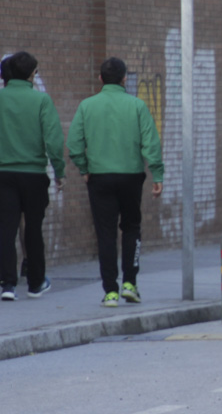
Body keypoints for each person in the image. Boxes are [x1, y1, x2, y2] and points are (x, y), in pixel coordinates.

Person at [67, 57, 165, 307]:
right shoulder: (137, 106)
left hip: (99, 177)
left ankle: (110, 291)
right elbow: (151, 143)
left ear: (100, 79)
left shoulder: (86, 106)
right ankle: (130, 283)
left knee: (106, 233)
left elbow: (75, 144)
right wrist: (157, 174)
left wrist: (84, 168)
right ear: (124, 79)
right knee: (131, 227)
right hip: (131, 177)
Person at [0, 52, 65, 301]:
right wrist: (59, 171)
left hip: (3, 174)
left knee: (7, 229)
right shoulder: (41, 101)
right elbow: (53, 140)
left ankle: (8, 285)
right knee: (33, 229)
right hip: (33, 175)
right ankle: (35, 284)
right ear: (32, 73)